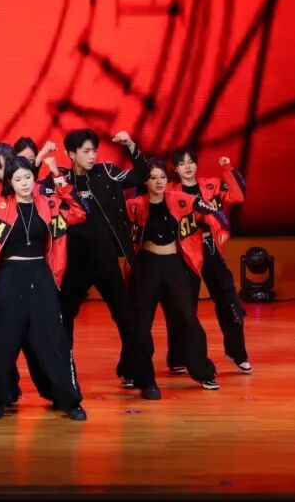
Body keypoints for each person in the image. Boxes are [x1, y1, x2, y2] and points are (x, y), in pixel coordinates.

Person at [0, 152, 89, 420]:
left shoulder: (48, 204)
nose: (24, 183)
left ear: (34, 178)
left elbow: (79, 212)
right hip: (7, 277)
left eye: (28, 177)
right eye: (18, 179)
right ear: (10, 182)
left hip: (40, 275)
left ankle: (69, 399)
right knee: (2, 340)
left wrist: (58, 177)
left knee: (52, 339)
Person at [59, 129, 157, 399]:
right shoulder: (60, 180)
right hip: (73, 264)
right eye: (86, 151)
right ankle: (65, 383)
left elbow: (141, 174)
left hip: (105, 260)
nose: (92, 156)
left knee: (127, 319)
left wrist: (131, 145)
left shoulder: (108, 172)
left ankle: (145, 379)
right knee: (62, 320)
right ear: (71, 154)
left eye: (94, 150)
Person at [125, 161, 228, 391]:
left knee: (188, 318)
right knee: (140, 322)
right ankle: (134, 371)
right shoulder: (134, 205)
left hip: (173, 265)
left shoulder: (180, 199)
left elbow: (211, 212)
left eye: (162, 177)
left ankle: (203, 372)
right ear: (145, 181)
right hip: (147, 267)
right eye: (153, 178)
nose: (159, 182)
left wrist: (219, 227)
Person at [165, 148, 253, 374]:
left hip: (211, 249)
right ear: (176, 168)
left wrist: (227, 169)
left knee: (230, 301)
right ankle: (178, 356)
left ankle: (237, 352)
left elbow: (238, 196)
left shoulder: (212, 185)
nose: (187, 166)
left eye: (191, 162)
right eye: (182, 163)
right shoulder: (170, 190)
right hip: (184, 251)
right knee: (183, 306)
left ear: (196, 164)